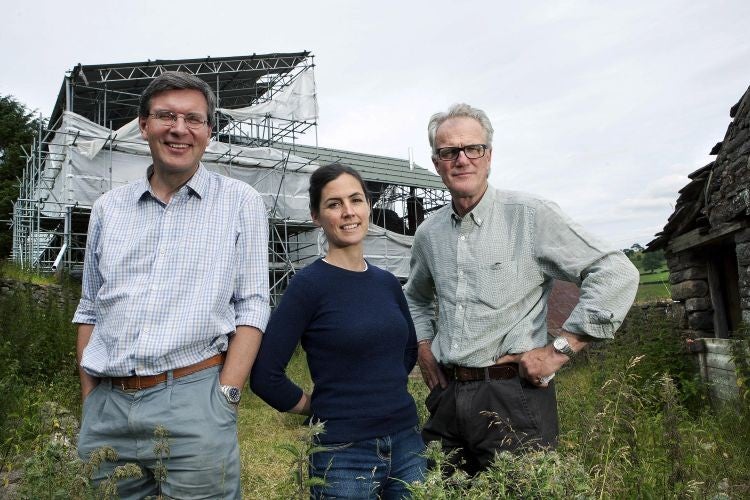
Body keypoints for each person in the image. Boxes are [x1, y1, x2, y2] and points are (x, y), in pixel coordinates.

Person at [404, 103, 639, 475]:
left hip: (513, 396)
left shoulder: (530, 215)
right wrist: (423, 346)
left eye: (473, 149)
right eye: (449, 152)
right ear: (437, 163)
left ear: (489, 156)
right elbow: (414, 297)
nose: (462, 159)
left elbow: (615, 272)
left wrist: (561, 348)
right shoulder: (429, 235)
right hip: (448, 396)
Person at [73, 71, 270, 498]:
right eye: (166, 116)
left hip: (195, 401)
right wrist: (91, 399)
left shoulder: (241, 203)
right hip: (107, 405)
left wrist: (226, 396)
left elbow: (253, 306)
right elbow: (89, 307)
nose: (179, 129)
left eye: (193, 119)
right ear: (144, 125)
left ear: (209, 132)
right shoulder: (108, 209)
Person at [250, 163, 426, 499]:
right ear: (316, 216)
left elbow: (407, 351)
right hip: (343, 453)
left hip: (407, 442)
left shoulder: (387, 283)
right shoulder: (307, 286)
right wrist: (315, 407)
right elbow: (265, 375)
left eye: (356, 200)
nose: (348, 212)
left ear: (368, 207)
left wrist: (379, 392)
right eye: (334, 204)